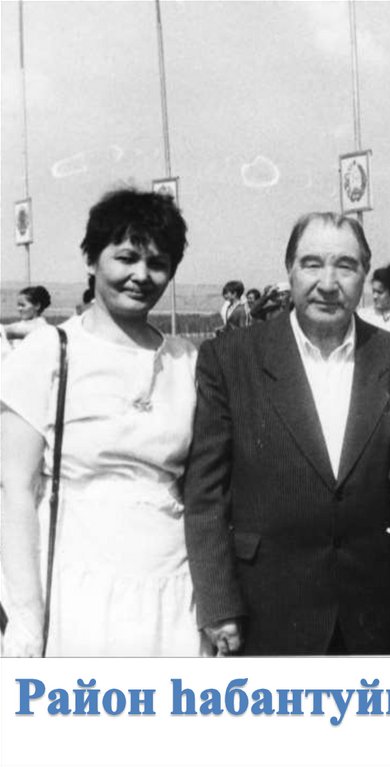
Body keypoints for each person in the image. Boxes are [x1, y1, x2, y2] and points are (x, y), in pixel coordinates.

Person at [184, 213, 390, 655]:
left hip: (372, 617)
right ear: (289, 269)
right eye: (312, 264)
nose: (328, 283)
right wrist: (217, 603)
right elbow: (205, 494)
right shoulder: (230, 358)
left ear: (365, 275)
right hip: (265, 610)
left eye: (345, 266)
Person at [1, 187, 199, 656]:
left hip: (171, 591)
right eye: (126, 257)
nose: (141, 276)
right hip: (77, 589)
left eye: (157, 263)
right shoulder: (49, 352)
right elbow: (14, 490)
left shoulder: (186, 360)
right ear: (91, 260)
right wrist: (27, 617)